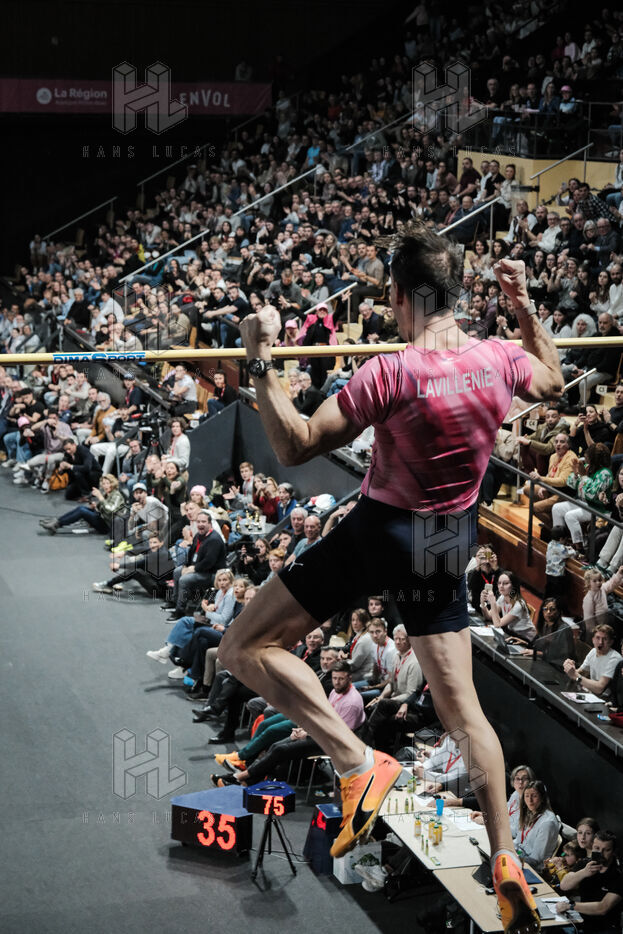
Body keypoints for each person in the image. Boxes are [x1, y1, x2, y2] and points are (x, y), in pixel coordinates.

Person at [219, 230, 563, 933]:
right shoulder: (500, 358)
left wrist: (259, 358)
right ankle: (505, 856)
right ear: (456, 293)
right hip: (447, 538)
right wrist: (525, 308)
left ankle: (356, 761)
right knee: (465, 713)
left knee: (243, 647)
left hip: (383, 531)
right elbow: (553, 381)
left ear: (400, 296)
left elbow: (293, 445)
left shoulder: (391, 372)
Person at [558, 830, 623, 931]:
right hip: (582, 920)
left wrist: (570, 906)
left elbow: (603, 908)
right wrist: (584, 872)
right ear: (592, 847)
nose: (600, 853)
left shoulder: (619, 874)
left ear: (614, 851)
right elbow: (564, 885)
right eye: (597, 848)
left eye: (606, 850)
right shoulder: (585, 864)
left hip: (606, 927)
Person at [39, 473, 125, 535]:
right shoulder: (107, 494)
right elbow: (104, 509)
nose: (105, 486)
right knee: (81, 508)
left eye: (107, 483)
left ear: (112, 484)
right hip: (103, 519)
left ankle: (57, 524)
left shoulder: (116, 495)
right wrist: (96, 506)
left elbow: (111, 510)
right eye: (103, 483)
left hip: (109, 526)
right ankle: (57, 521)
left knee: (82, 511)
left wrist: (100, 497)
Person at [563, 623, 623, 697]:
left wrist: (575, 675)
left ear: (611, 642)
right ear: (593, 640)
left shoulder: (615, 658)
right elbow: (580, 672)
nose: (600, 642)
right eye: (598, 638)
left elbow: (599, 688)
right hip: (592, 695)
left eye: (605, 639)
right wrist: (570, 667)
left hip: (607, 699)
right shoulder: (593, 651)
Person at [514, 780, 560, 871]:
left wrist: (513, 858)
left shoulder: (547, 823)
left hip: (533, 868)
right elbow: (518, 842)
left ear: (542, 798)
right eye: (527, 796)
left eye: (534, 796)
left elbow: (535, 860)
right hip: (521, 857)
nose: (530, 800)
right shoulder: (529, 813)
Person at [480, 571, 537, 643]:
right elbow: (488, 616)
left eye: (505, 583)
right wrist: (482, 603)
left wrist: (493, 603)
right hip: (513, 634)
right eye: (499, 583)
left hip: (527, 640)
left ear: (513, 585)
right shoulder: (502, 597)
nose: (501, 586)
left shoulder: (518, 605)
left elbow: (497, 624)